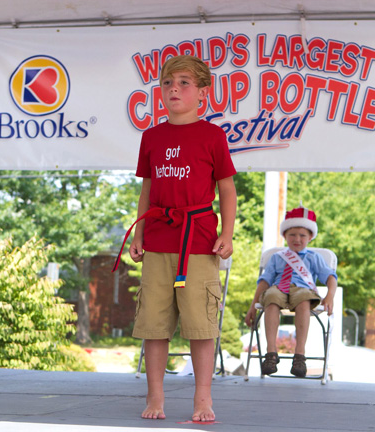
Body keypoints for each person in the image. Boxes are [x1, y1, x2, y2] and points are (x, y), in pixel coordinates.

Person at [113, 55, 237, 421]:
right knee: (154, 324)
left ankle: (203, 399)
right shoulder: (151, 136)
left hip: (198, 242)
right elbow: (146, 191)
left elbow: (227, 189)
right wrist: (138, 233)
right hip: (157, 241)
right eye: (167, 83)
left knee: (200, 325)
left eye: (183, 83)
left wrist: (226, 234)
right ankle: (155, 398)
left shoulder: (213, 135)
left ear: (202, 93)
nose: (173, 89)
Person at [244, 206, 337, 378]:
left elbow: (330, 277)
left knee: (303, 299)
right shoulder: (277, 257)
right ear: (285, 236)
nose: (297, 239)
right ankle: (271, 354)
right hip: (279, 288)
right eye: (292, 234)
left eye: (302, 235)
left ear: (310, 237)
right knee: (271, 298)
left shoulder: (313, 257)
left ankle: (299, 356)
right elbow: (264, 282)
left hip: (302, 289)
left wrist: (330, 296)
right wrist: (252, 306)